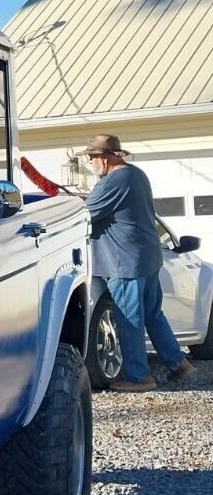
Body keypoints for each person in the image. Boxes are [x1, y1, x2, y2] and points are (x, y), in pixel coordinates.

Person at [83, 134, 193, 392]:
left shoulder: (113, 181)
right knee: (153, 315)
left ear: (107, 157)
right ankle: (179, 364)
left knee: (128, 318)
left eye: (92, 157)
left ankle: (138, 377)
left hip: (124, 261)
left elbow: (84, 216)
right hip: (148, 257)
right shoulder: (136, 174)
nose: (90, 162)